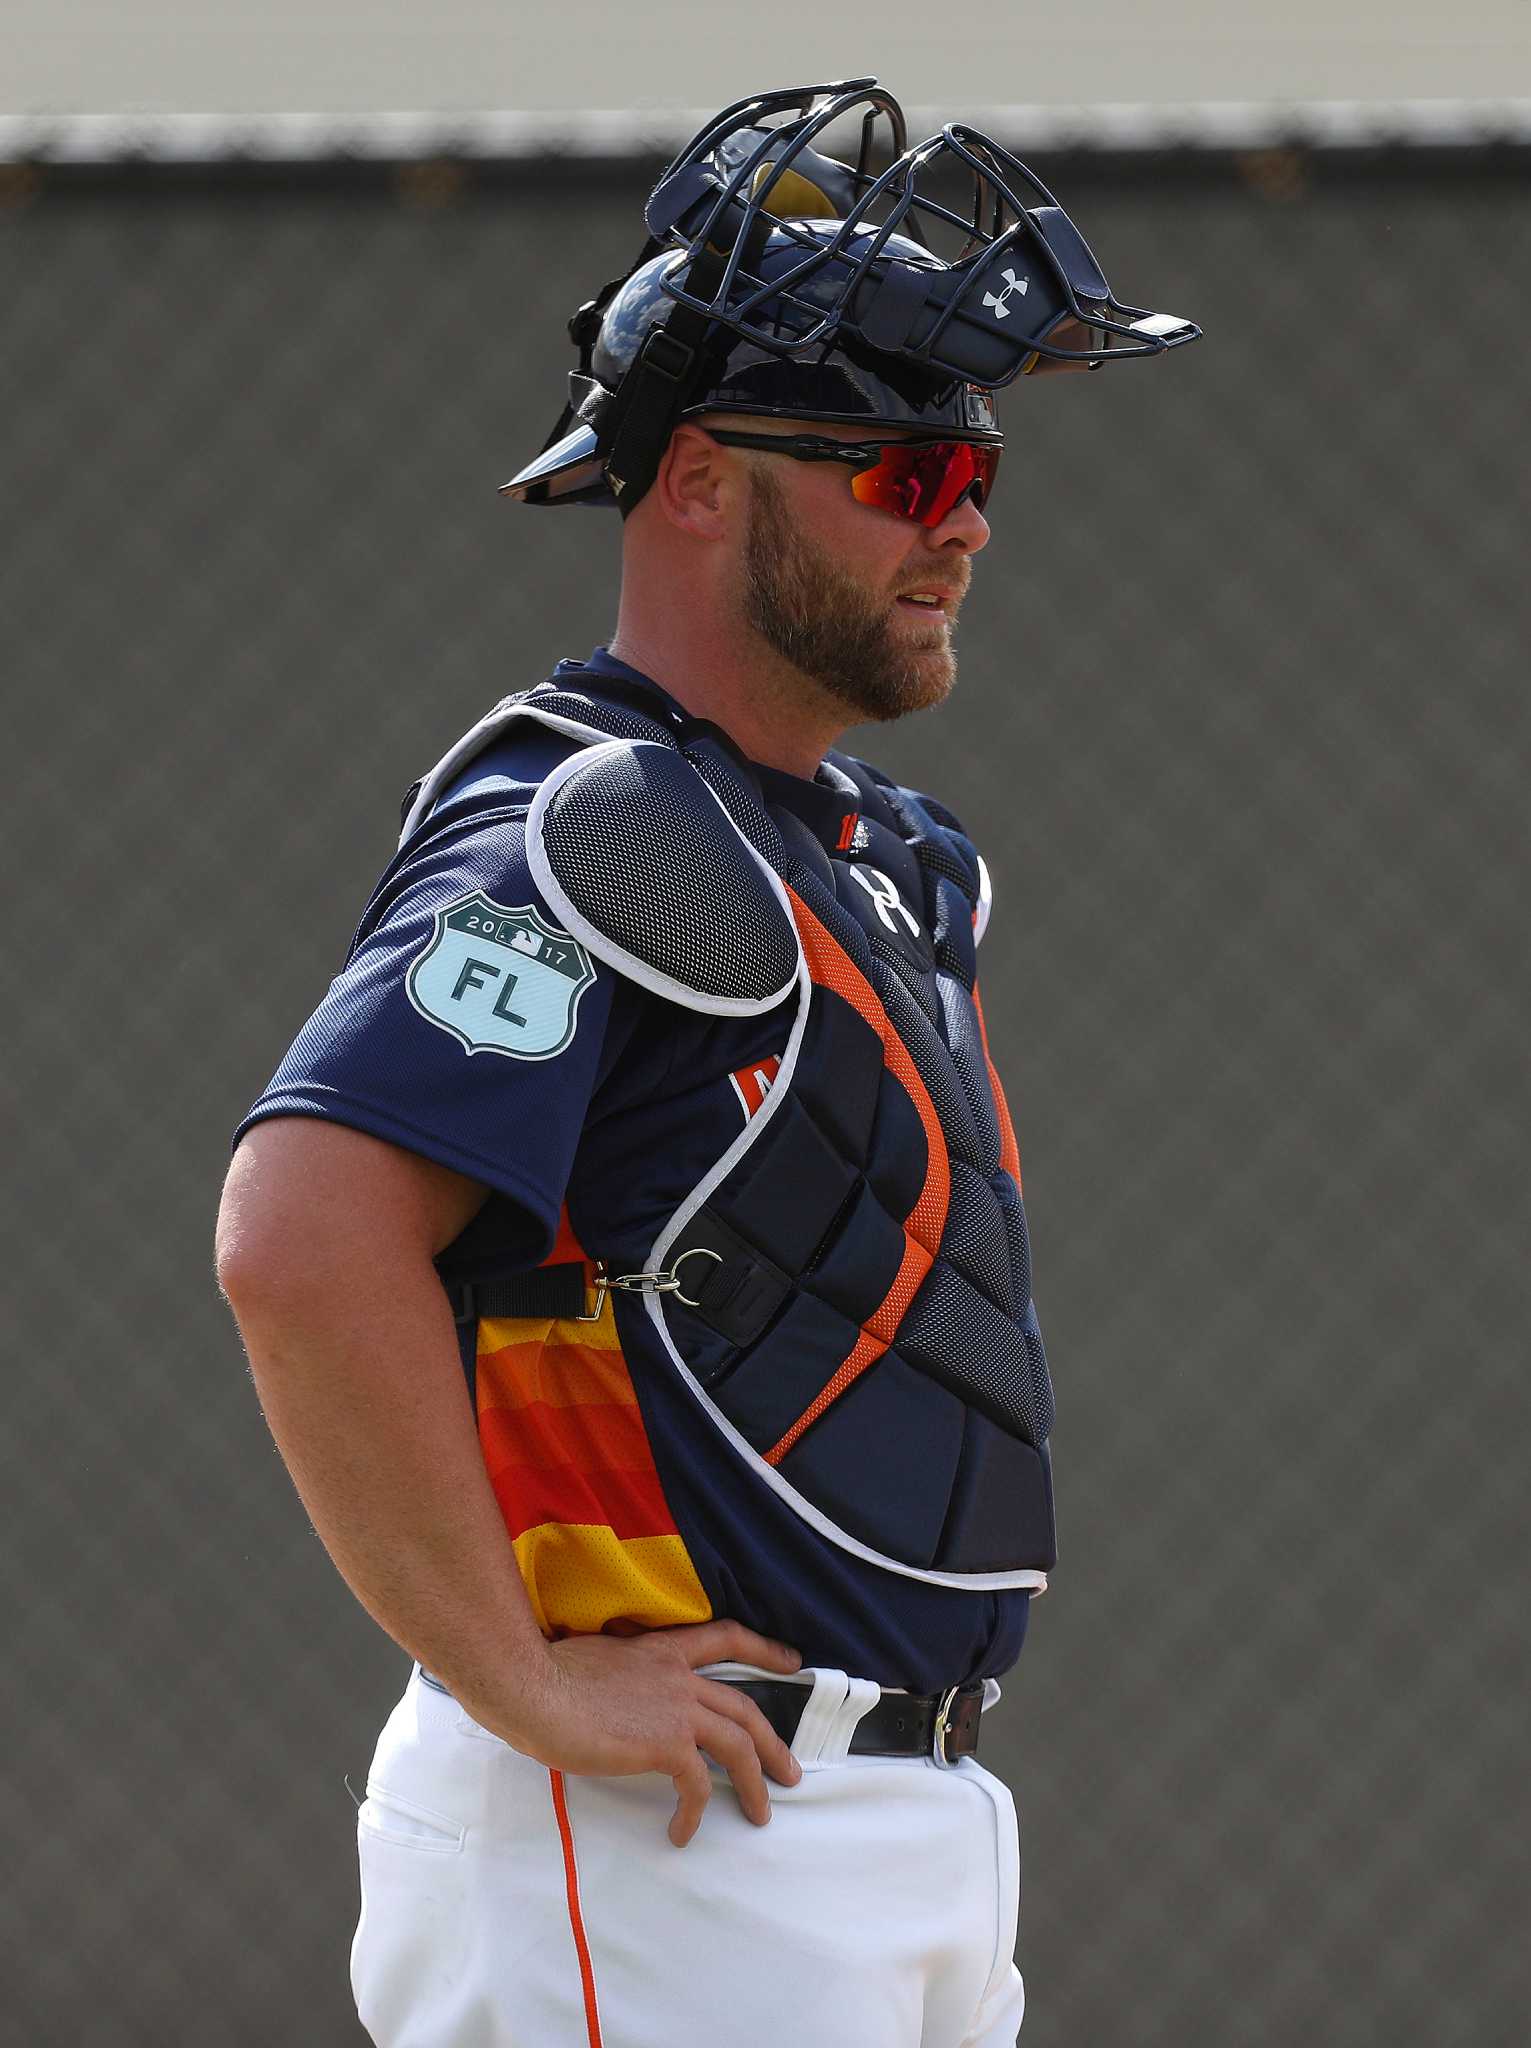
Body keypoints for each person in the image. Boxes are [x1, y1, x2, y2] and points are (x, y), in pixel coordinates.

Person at [216, 79, 1198, 2048]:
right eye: (904, 473)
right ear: (695, 481)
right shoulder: (587, 832)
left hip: (900, 1820)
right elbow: (302, 1240)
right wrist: (521, 1682)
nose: (963, 524)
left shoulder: (883, 857)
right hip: (660, 1829)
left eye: (979, 476)